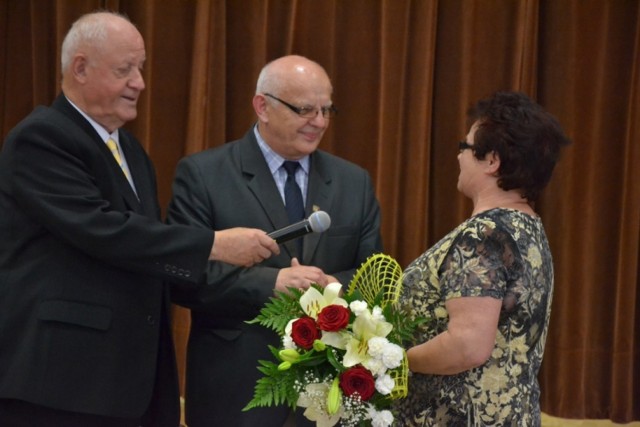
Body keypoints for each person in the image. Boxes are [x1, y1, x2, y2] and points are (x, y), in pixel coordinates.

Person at [0, 11, 279, 427]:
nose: (140, 83)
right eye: (124, 69)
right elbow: (102, 230)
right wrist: (215, 245)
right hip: (61, 384)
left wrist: (264, 281)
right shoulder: (41, 138)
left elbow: (148, 252)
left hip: (128, 385)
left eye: (141, 69)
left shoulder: (130, 151)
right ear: (80, 68)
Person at [166, 55, 383, 427]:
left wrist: (331, 287)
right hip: (236, 392)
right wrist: (274, 283)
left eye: (326, 110)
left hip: (326, 396)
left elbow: (374, 275)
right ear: (262, 106)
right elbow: (184, 276)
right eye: (304, 110)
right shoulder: (204, 175)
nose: (319, 122)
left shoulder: (353, 182)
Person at [395, 91, 570, 426]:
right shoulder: (528, 227)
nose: (459, 156)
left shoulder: (484, 235)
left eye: (465, 147)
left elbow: (467, 346)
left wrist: (392, 361)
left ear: (492, 160)